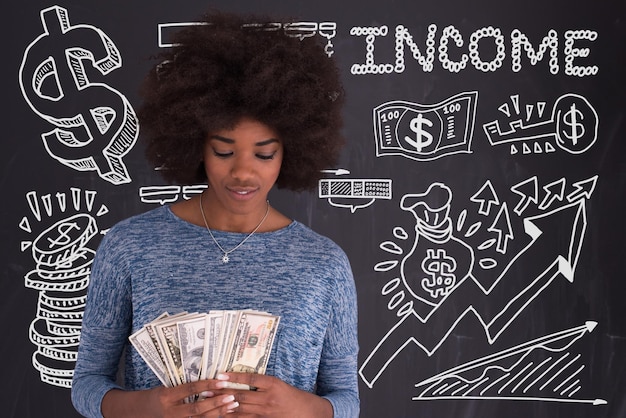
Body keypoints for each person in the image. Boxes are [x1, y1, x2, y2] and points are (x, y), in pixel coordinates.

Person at [71, 9, 359, 418]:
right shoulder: (129, 246)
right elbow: (87, 384)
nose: (243, 171)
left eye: (264, 153)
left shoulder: (324, 264)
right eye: (223, 151)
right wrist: (150, 407)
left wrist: (303, 408)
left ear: (291, 151)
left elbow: (347, 399)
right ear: (195, 145)